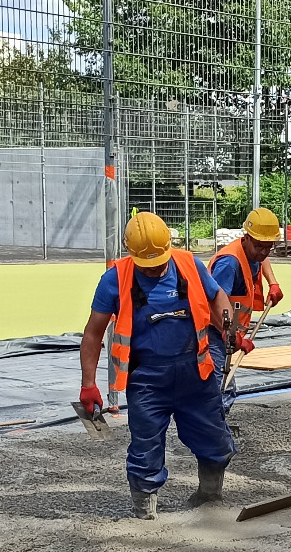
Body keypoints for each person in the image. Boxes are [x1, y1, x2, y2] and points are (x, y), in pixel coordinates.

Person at [78, 211, 234, 518]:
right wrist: (88, 385)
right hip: (147, 379)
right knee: (145, 446)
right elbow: (93, 333)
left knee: (214, 437)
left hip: (196, 372)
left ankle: (209, 495)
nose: (155, 270)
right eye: (146, 266)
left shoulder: (189, 265)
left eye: (159, 262)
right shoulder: (115, 279)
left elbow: (218, 298)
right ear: (131, 253)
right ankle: (145, 511)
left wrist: (229, 328)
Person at [207, 206, 284, 388]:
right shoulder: (229, 264)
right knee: (220, 389)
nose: (264, 252)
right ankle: (213, 416)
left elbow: (261, 256)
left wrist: (273, 282)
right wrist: (232, 336)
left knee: (222, 387)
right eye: (259, 246)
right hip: (212, 330)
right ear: (247, 237)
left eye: (269, 247)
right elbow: (212, 302)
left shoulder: (252, 251)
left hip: (226, 330)